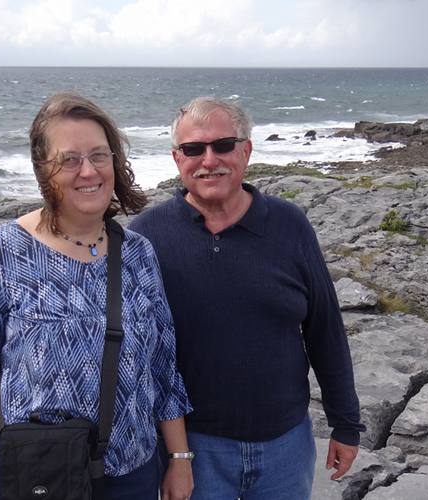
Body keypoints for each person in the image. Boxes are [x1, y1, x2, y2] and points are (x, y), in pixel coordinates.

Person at [0, 93, 194, 500]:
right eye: (69, 159)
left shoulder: (138, 253)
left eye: (99, 155)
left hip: (130, 472)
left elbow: (163, 369)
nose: (88, 171)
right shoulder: (5, 251)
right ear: (43, 168)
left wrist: (180, 459)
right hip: (33, 472)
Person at [130, 97, 365, 499]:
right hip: (193, 449)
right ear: (176, 158)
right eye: (193, 149)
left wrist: (345, 424)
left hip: (285, 445)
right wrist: (173, 455)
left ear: (246, 150)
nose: (209, 160)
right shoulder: (148, 235)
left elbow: (324, 328)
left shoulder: (289, 224)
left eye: (223, 145)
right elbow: (139, 355)